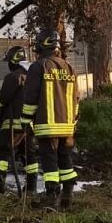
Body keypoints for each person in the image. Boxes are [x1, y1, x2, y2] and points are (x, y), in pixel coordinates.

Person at [21, 28, 81, 209]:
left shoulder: (38, 66)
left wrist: (25, 121)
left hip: (47, 125)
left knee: (50, 162)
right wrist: (73, 122)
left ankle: (50, 198)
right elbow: (76, 98)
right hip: (68, 125)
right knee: (66, 160)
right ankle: (67, 197)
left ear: (41, 45)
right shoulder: (69, 67)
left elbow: (30, 97)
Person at [0, 45, 39, 194]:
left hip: (13, 124)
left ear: (14, 61)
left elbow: (3, 99)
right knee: (29, 154)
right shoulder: (33, 76)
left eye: (9, 61)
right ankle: (32, 187)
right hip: (30, 124)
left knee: (1, 151)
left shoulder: (13, 76)